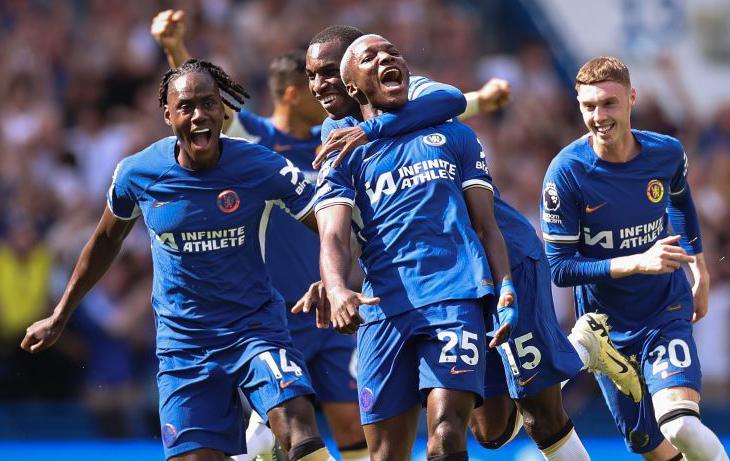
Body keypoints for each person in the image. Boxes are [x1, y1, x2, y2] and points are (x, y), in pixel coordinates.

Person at [299, 26, 643, 461]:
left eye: (328, 71)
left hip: (503, 258)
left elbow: (453, 101)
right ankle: (563, 355)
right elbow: (346, 226)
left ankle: (580, 348)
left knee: (540, 412)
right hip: (425, 285)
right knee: (492, 432)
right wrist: (331, 281)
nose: (320, 84)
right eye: (312, 75)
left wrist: (378, 129)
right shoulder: (337, 133)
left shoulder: (417, 100)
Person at [20, 59, 336, 461]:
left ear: (224, 110)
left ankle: (269, 441)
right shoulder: (138, 173)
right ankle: (256, 450)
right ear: (168, 114)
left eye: (208, 103)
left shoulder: (261, 165)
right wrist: (60, 314)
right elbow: (103, 241)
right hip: (184, 344)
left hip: (255, 330)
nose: (199, 115)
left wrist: (336, 279)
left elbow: (327, 218)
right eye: (186, 106)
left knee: (300, 430)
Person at [151, 11, 366, 460]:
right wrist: (175, 46)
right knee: (274, 428)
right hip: (280, 309)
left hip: (331, 297)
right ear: (292, 91)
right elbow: (205, 104)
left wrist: (479, 99)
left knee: (348, 417)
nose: (323, 92)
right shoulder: (259, 142)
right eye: (311, 83)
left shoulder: (334, 140)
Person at [314, 34, 519, 461]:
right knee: (386, 455)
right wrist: (335, 287)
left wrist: (505, 287)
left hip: (453, 297)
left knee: (445, 437)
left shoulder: (450, 135)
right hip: (383, 311)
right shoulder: (341, 150)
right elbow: (333, 233)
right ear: (352, 86)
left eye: (391, 53)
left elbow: (486, 225)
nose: (386, 58)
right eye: (369, 58)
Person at [541, 55, 730, 461]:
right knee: (650, 447)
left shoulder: (665, 153)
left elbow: (681, 201)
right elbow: (560, 268)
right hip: (606, 333)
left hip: (664, 308)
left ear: (631, 98)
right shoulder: (566, 173)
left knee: (680, 425)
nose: (599, 116)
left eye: (609, 103)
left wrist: (700, 268)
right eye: (589, 106)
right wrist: (637, 262)